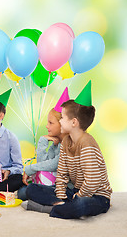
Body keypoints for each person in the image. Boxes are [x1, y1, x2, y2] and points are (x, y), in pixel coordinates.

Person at [23, 81, 112, 219]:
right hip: (74, 192)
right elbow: (62, 174)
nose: (60, 122)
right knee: (31, 189)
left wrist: (79, 196)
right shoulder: (65, 142)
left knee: (82, 204)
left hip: (96, 196)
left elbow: (92, 181)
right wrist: (60, 194)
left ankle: (50, 209)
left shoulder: (87, 143)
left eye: (62, 118)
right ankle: (63, 206)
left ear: (74, 122)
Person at [17, 88, 69, 200]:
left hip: (66, 188)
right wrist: (42, 140)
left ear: (62, 124)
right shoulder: (56, 143)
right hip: (52, 184)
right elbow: (43, 163)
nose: (47, 126)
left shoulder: (68, 143)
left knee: (25, 192)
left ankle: (50, 204)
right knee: (22, 191)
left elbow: (55, 164)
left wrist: (29, 168)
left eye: (50, 123)